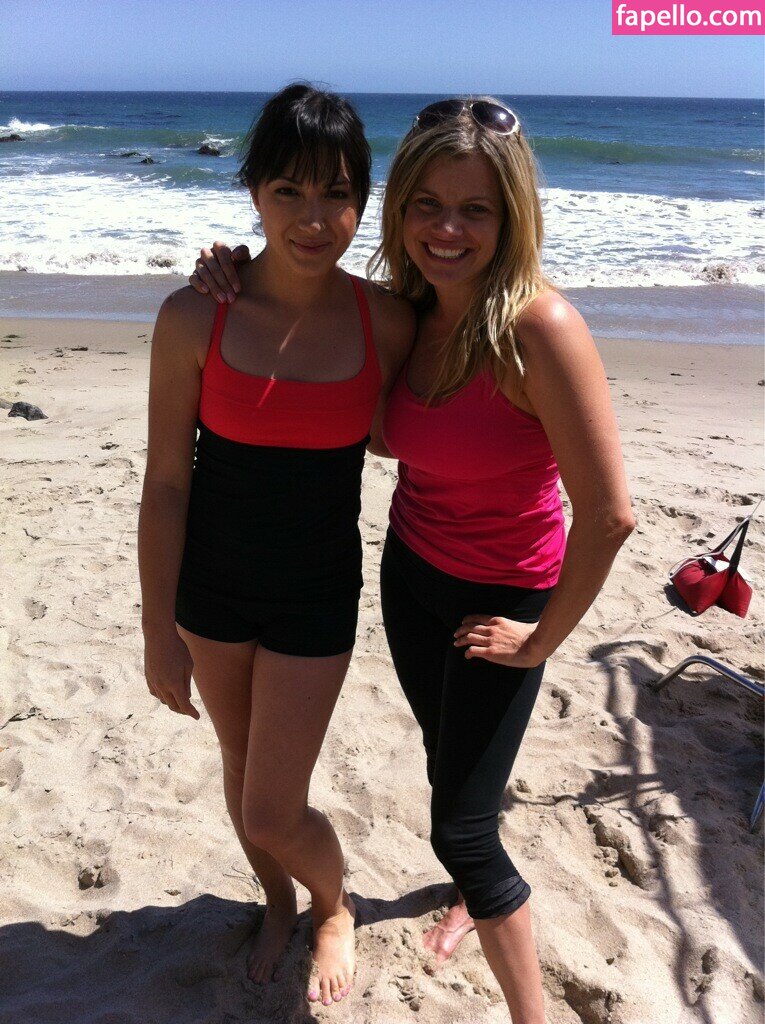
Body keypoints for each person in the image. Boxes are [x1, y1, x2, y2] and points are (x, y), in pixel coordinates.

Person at [191, 95, 635, 1023]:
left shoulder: (539, 327)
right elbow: (317, 347)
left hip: (505, 593)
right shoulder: (407, 315)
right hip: (411, 572)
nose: (447, 228)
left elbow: (609, 517)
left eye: (475, 210)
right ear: (397, 212)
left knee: (462, 828)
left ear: (511, 217)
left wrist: (539, 639)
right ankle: (468, 887)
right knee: (448, 758)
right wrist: (230, 266)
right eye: (427, 204)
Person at [138, 83, 413, 1009]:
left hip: (316, 594)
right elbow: (166, 484)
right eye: (288, 191)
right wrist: (156, 628)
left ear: (363, 201)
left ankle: (333, 906)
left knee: (270, 805)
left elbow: (465, 349)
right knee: (239, 769)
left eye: (336, 193)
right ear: (253, 190)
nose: (312, 217)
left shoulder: (387, 322)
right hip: (210, 592)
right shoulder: (194, 315)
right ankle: (277, 901)